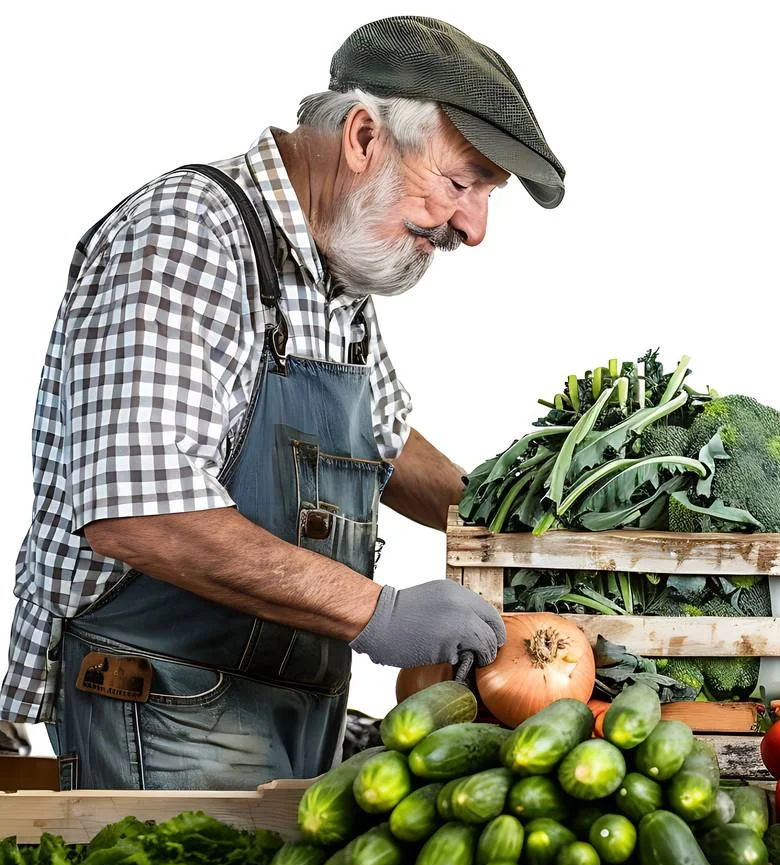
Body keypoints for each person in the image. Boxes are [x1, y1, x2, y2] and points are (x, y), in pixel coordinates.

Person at [2, 16, 566, 789]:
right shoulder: (187, 235)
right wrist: (380, 612)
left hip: (293, 703)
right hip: (163, 705)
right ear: (363, 138)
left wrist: (518, 528)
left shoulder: (333, 259)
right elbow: (141, 513)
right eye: (461, 183)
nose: (473, 228)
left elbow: (382, 440)